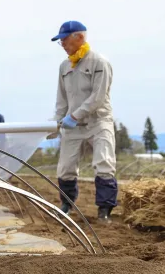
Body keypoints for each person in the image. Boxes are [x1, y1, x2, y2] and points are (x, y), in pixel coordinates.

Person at [51, 20, 117, 223]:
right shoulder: (64, 66)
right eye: (60, 41)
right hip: (73, 126)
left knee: (103, 163)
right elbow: (62, 99)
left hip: (98, 122)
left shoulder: (99, 62)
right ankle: (66, 203)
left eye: (64, 39)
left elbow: (97, 97)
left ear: (79, 37)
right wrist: (56, 123)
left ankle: (104, 210)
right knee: (65, 167)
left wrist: (74, 115)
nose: (62, 44)